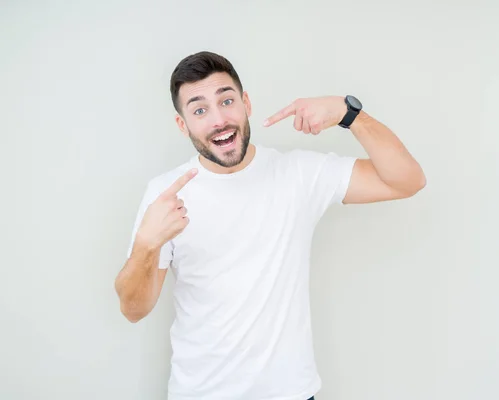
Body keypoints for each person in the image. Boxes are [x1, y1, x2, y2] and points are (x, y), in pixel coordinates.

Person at [114, 51, 426, 400]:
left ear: (246, 103)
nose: (219, 119)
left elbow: (407, 181)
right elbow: (134, 309)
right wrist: (146, 243)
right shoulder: (165, 195)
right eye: (199, 109)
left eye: (227, 101)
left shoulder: (297, 175)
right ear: (182, 125)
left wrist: (348, 114)